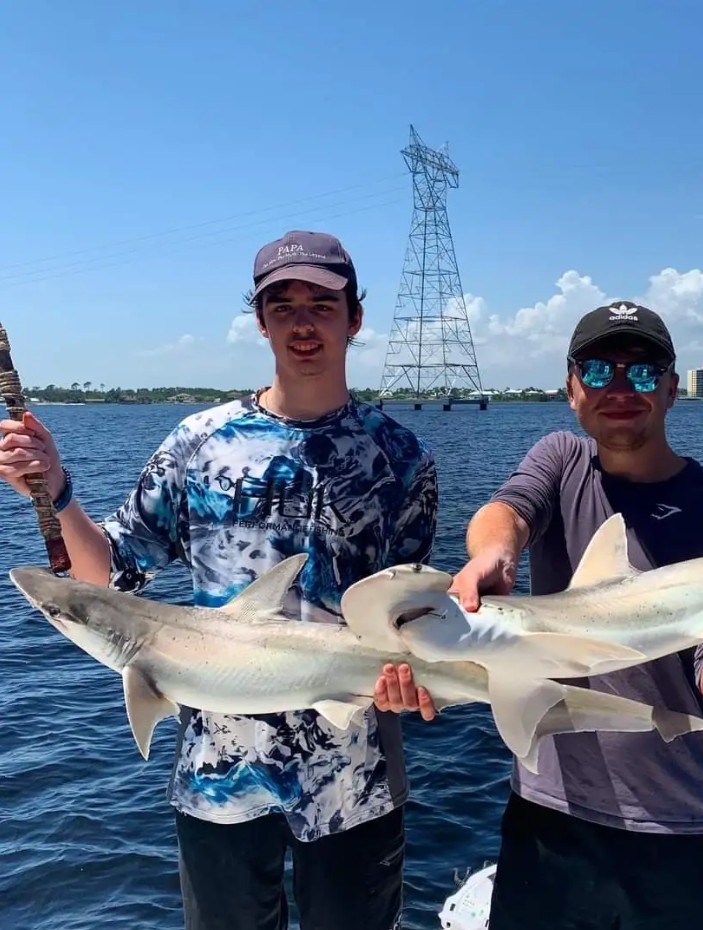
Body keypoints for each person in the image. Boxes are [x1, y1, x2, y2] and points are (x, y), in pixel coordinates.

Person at [0, 230, 439, 930]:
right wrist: (54, 490)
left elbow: (411, 612)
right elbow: (111, 573)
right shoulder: (199, 441)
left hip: (357, 773)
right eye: (282, 304)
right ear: (259, 320)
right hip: (219, 777)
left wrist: (420, 682)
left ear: (354, 317)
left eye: (322, 304)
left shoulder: (401, 456)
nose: (302, 322)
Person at [376, 299, 703, 930]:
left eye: (642, 373)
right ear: (571, 388)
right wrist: (493, 556)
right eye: (598, 371)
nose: (620, 389)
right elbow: (507, 511)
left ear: (672, 389)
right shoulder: (563, 461)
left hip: (684, 828)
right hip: (548, 820)